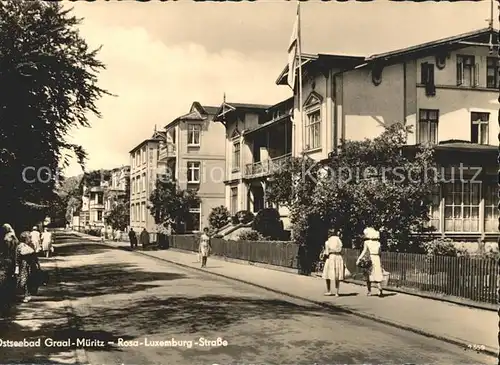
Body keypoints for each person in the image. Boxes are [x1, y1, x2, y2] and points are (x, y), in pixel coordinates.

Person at [356, 227, 384, 297]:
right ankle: (379, 287)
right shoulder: (378, 243)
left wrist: (359, 258)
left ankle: (369, 291)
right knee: (377, 273)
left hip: (370, 257)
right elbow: (380, 253)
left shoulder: (367, 242)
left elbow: (364, 251)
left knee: (368, 274)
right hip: (377, 258)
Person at [16, 231, 40, 303]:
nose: (31, 239)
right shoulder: (20, 246)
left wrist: (37, 264)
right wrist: (17, 267)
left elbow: (34, 256)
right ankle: (25, 295)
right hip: (23, 266)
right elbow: (17, 257)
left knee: (31, 279)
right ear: (25, 238)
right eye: (29, 237)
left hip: (31, 265)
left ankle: (27, 294)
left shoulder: (31, 245)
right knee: (24, 280)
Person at [321, 229, 345, 296]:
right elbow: (341, 250)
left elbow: (326, 253)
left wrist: (323, 255)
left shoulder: (327, 242)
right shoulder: (339, 240)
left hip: (331, 257)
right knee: (337, 274)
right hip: (338, 257)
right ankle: (337, 292)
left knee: (327, 274)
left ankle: (329, 291)